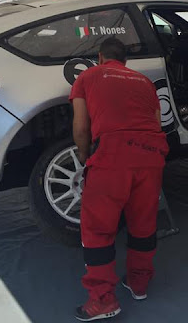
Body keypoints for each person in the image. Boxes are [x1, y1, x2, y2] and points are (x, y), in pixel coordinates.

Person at [70, 37, 169, 321]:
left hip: (112, 156)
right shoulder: (144, 82)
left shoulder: (88, 76)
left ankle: (103, 300)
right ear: (125, 61)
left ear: (100, 58)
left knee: (98, 229)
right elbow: (156, 122)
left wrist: (84, 156)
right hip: (151, 156)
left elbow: (81, 126)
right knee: (143, 223)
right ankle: (139, 283)